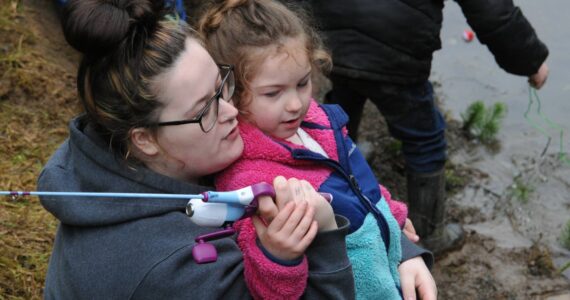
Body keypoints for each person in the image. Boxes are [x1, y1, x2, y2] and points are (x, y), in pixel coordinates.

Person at [38, 0, 355, 298]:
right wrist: (325, 239)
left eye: (222, 86)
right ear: (144, 140)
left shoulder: (130, 157)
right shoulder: (168, 267)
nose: (231, 111)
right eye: (205, 110)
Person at [198, 0, 436, 299]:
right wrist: (278, 257)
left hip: (386, 274)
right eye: (273, 93)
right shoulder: (252, 182)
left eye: (302, 82)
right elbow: (267, 288)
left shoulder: (319, 122)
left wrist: (396, 222)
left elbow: (359, 181)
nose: (296, 103)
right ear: (230, 92)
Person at [304, 0, 550, 254]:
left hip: (329, 31)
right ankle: (429, 234)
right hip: (396, 48)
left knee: (344, 94)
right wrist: (530, 61)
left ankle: (344, 166)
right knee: (424, 139)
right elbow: (493, 13)